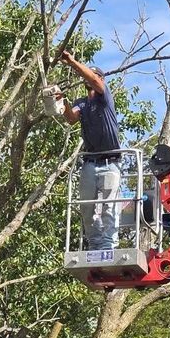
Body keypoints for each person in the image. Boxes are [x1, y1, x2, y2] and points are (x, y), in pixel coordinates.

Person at [58, 51, 122, 251]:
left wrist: (71, 62)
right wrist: (63, 101)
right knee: (87, 206)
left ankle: (108, 246)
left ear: (100, 79)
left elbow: (92, 78)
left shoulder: (104, 96)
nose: (90, 78)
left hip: (110, 162)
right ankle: (95, 245)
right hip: (90, 162)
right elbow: (71, 118)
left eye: (94, 75)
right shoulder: (82, 103)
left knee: (109, 207)